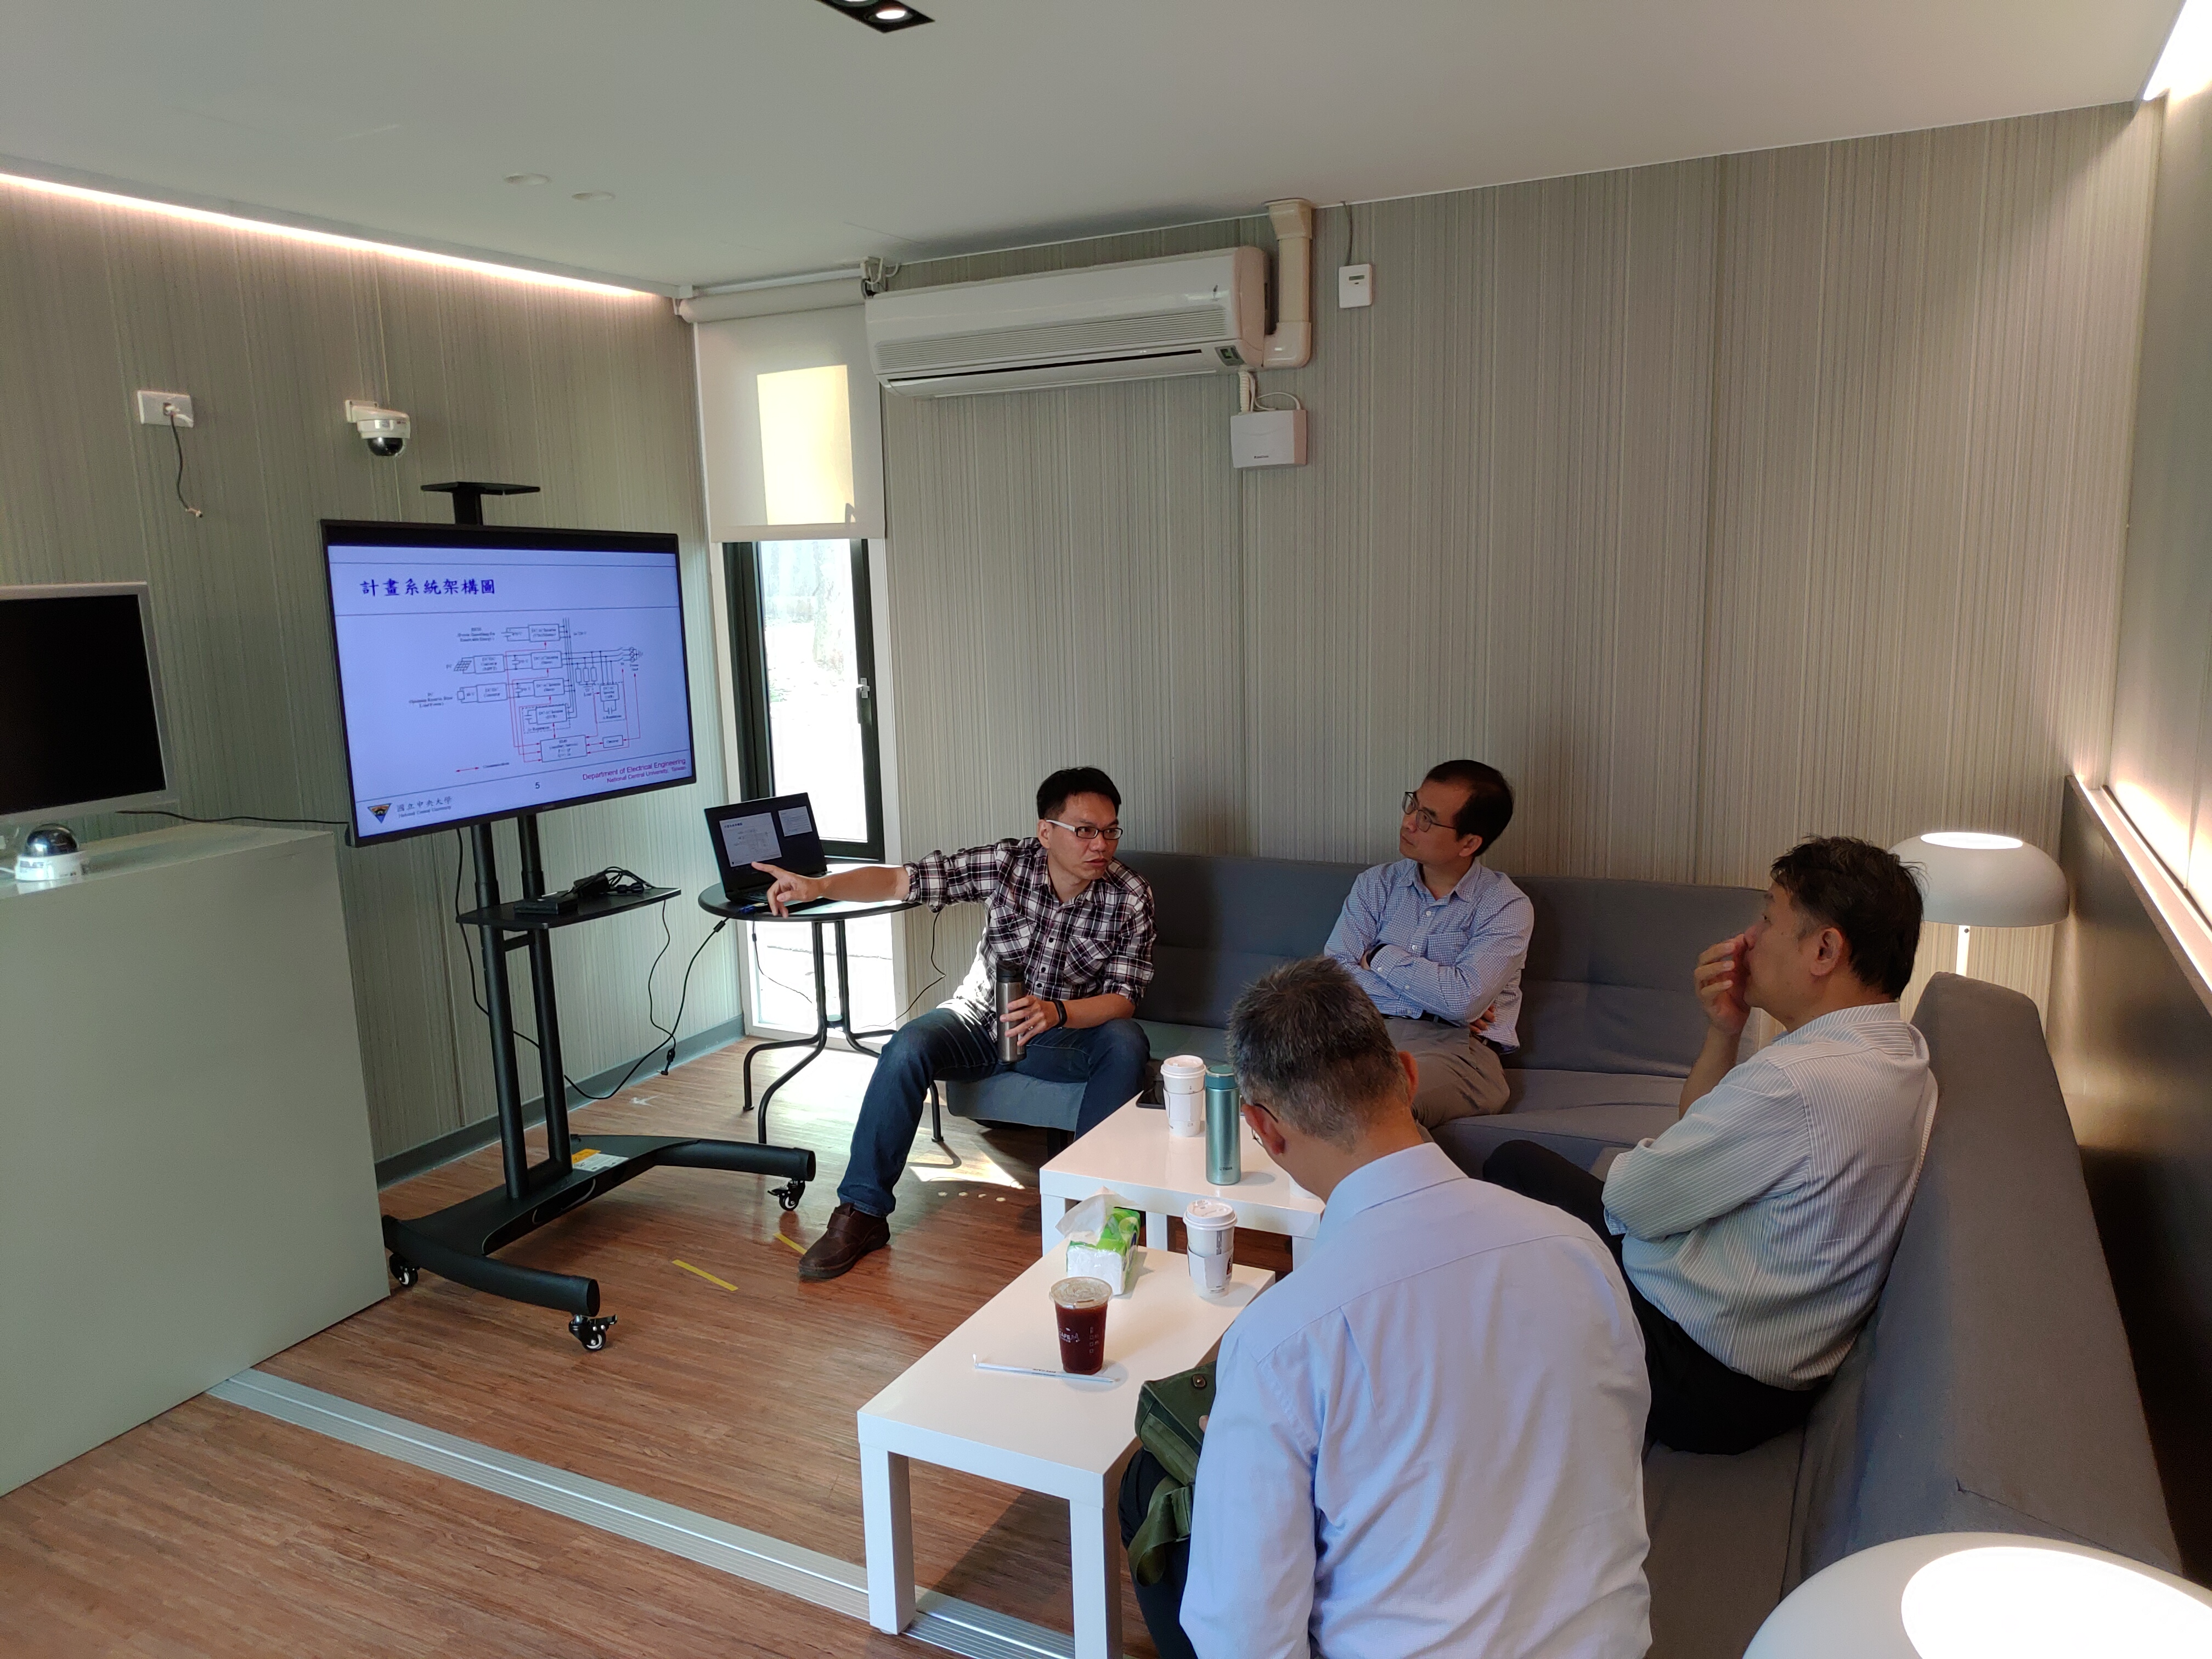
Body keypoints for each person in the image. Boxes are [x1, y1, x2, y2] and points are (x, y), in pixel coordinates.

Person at [1120, 956, 1651, 1659]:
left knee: (1154, 1485)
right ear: (1407, 1075)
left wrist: (1234, 1465)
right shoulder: (1578, 1248)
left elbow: (1243, 1640)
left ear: (1263, 1129)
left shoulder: (1282, 1339)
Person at [1486, 836, 1938, 1454]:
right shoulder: (1902, 1053)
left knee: (1513, 1168)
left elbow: (1633, 1202)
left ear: (1825, 950)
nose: (1749, 938)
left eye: (1769, 918)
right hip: (1768, 1373)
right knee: (1533, 1184)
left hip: (1698, 1375)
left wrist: (1646, 1171)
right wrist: (1725, 1030)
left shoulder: (1797, 1082)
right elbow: (1696, 1136)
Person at [755, 766, 1155, 1282]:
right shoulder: (1007, 864)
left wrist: (1057, 1012)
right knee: (907, 1047)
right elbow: (901, 880)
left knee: (1125, 1041)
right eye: (1085, 830)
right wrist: (820, 886)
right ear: (1046, 831)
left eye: (1110, 830)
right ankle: (862, 1214)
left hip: (1057, 1035)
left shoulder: (1130, 895)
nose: (1100, 844)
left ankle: (1093, 1215)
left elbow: (1124, 998)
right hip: (978, 1019)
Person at [1323, 759, 1534, 1126]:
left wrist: (1379, 956)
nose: (1409, 822)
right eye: (1413, 806)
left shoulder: (1505, 906)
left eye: (1427, 819)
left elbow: (1461, 1001)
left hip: (1456, 1050)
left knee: (1378, 1105)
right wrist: (1433, 1004)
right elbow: (1335, 978)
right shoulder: (1376, 884)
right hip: (1363, 1035)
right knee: (1291, 1092)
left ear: (1469, 843)